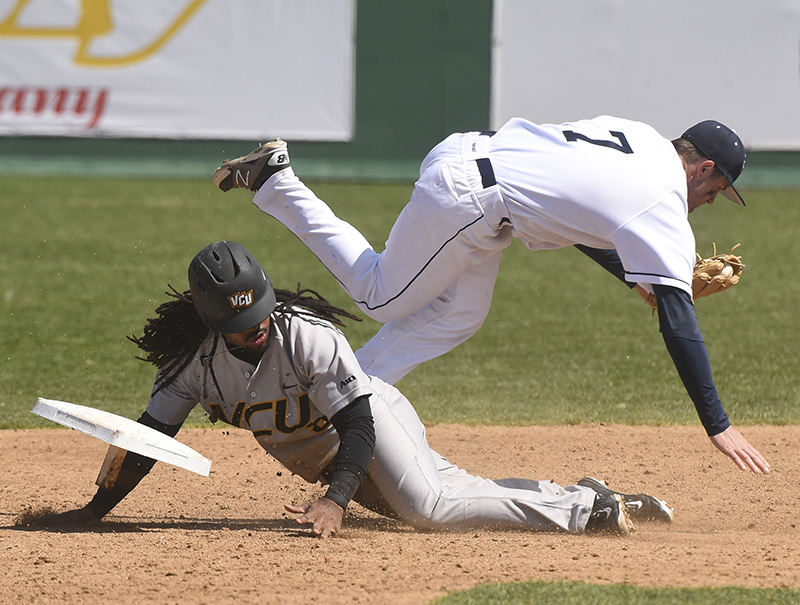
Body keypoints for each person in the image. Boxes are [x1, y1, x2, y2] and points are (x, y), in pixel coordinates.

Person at [212, 116, 771, 475]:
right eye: (719, 189)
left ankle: (336, 394)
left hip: (470, 161)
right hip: (469, 200)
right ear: (702, 169)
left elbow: (575, 213)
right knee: (380, 296)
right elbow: (681, 326)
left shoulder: (641, 140)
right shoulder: (665, 204)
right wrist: (717, 424)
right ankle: (275, 182)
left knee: (460, 313)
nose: (714, 201)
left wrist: (635, 276)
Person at [51, 241, 675, 537]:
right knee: (454, 494)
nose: (259, 326)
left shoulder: (309, 338)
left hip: (369, 422)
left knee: (428, 510)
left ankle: (583, 513)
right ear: (214, 323)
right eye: (243, 324)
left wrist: (337, 501)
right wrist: (95, 512)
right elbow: (146, 440)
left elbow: (357, 424)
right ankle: (585, 493)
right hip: (325, 454)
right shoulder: (194, 364)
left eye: (262, 311)